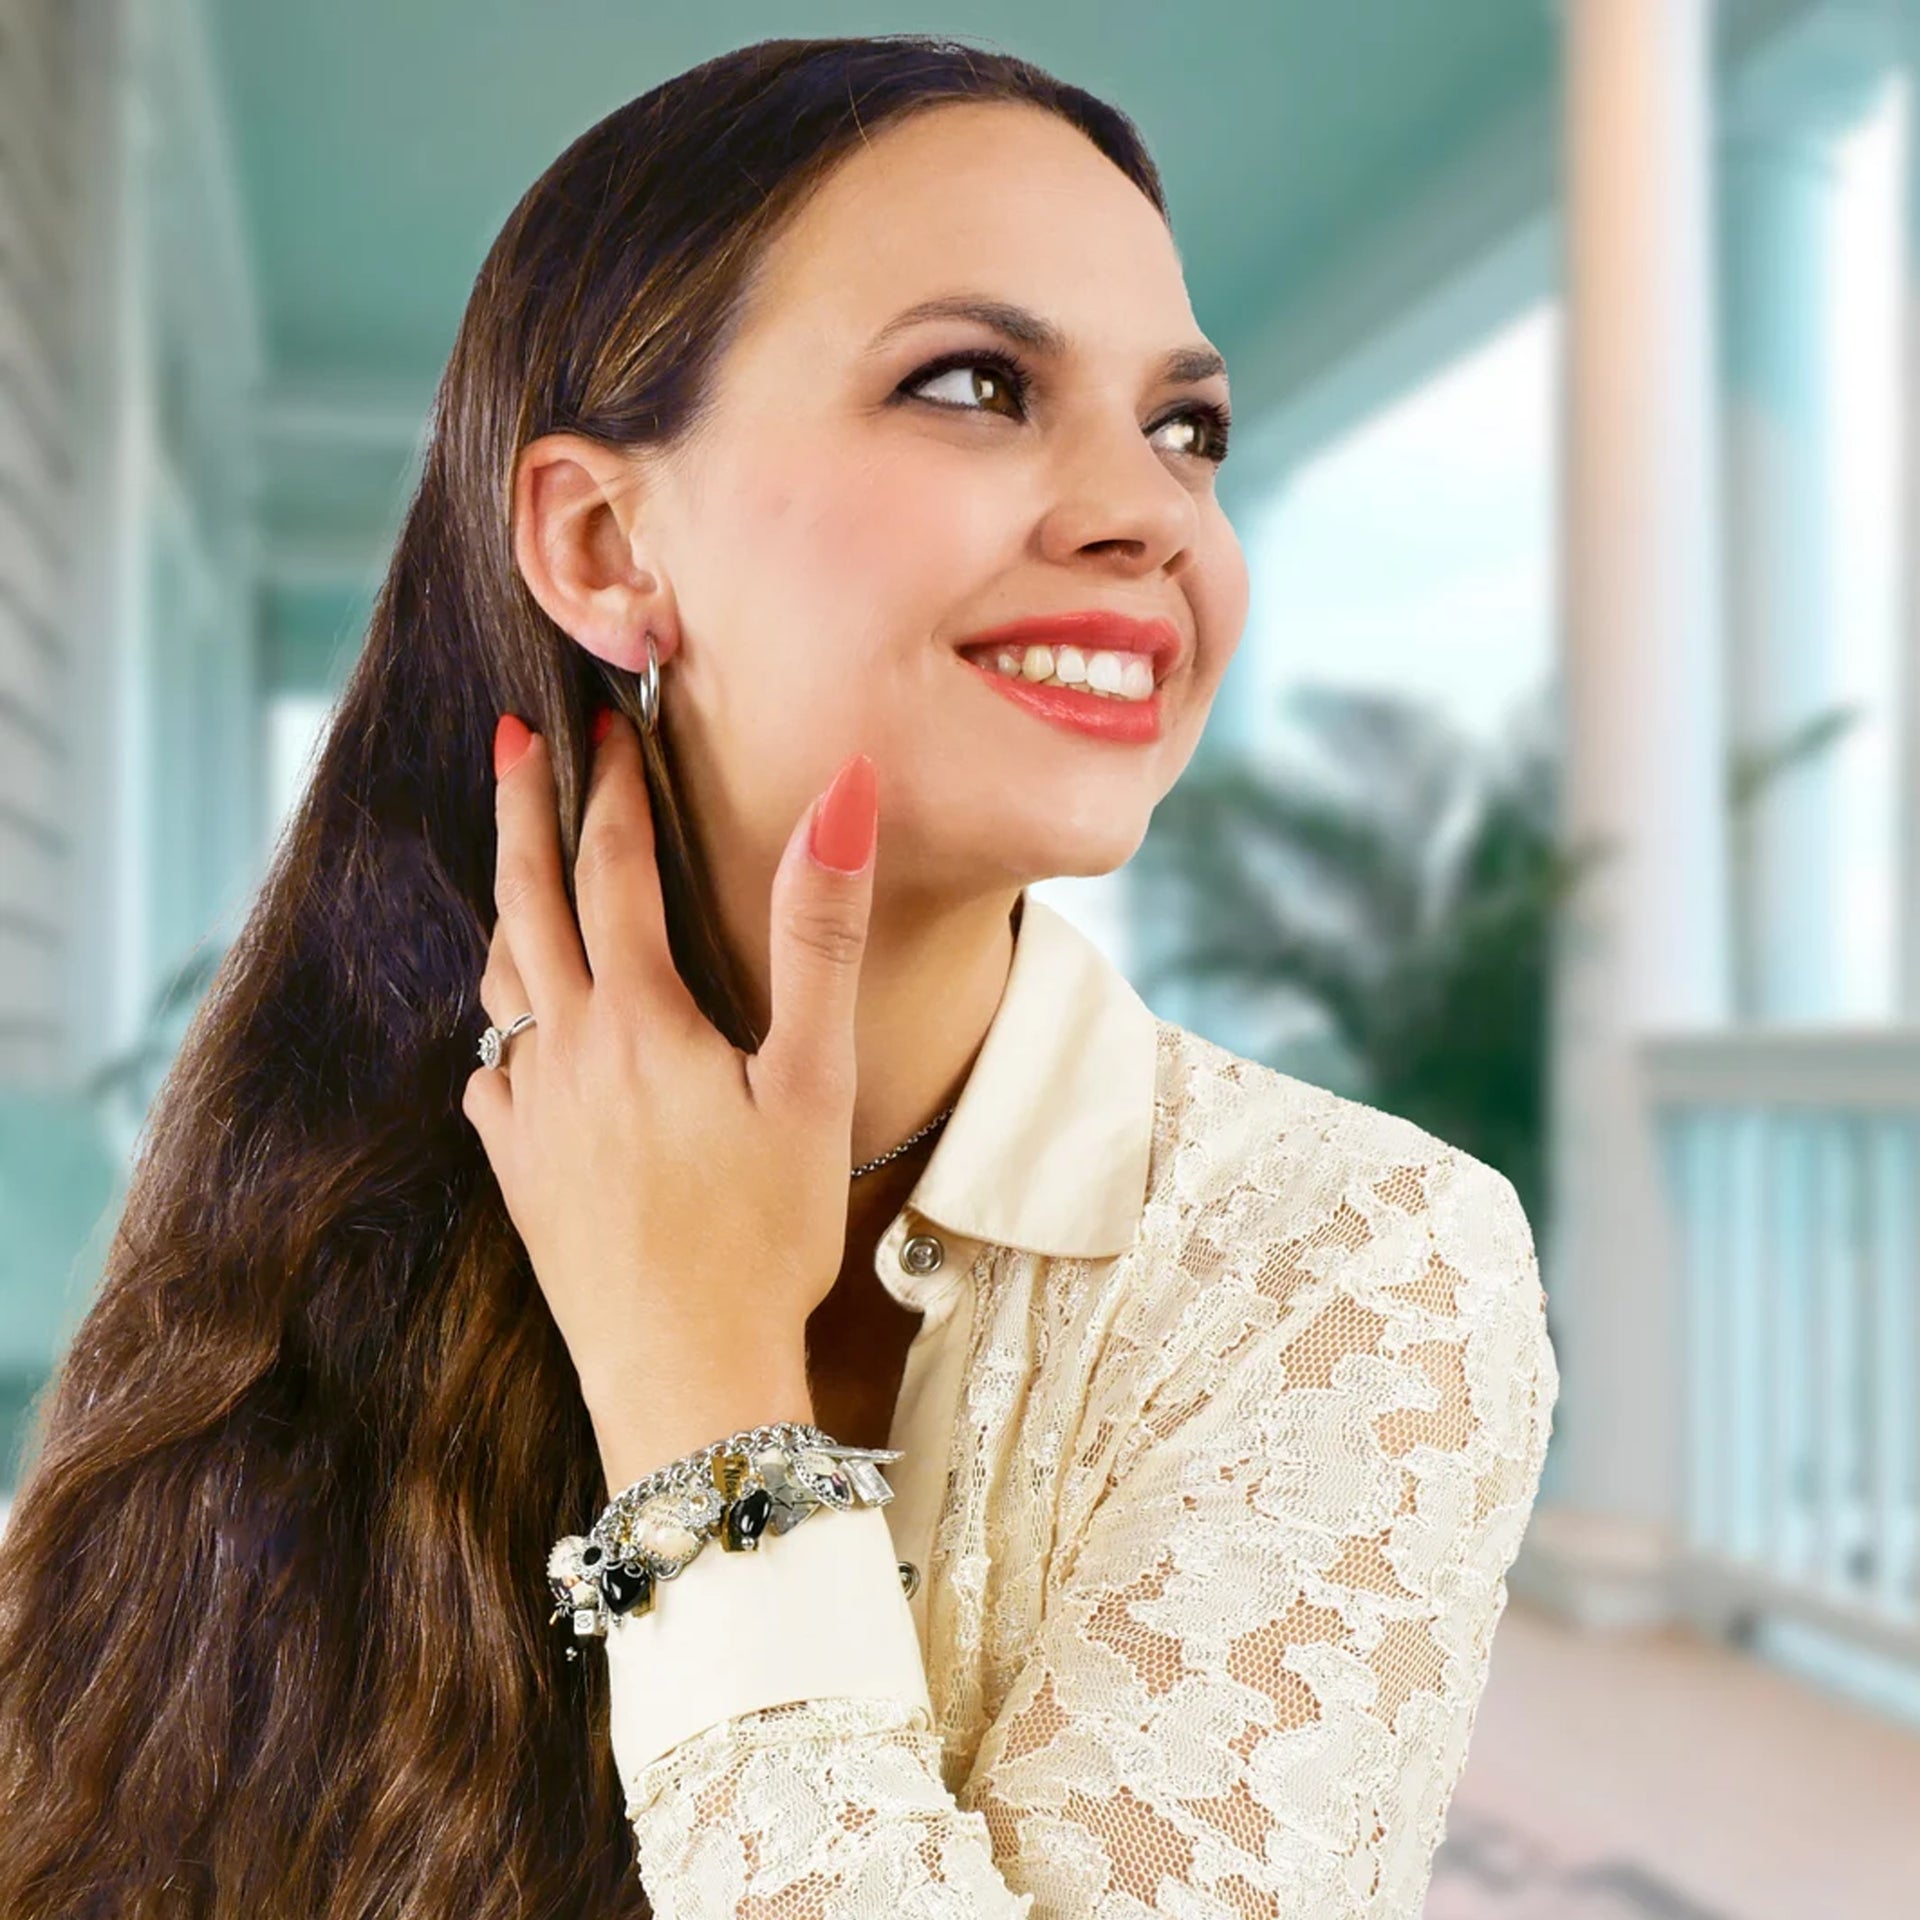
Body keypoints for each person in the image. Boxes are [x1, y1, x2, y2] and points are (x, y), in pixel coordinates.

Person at [0, 33, 1559, 1919]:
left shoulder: (1357, 1262)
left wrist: (701, 1389)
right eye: (977, 385)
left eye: (1188, 428)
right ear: (600, 543)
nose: (1150, 514)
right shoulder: (321, 1183)